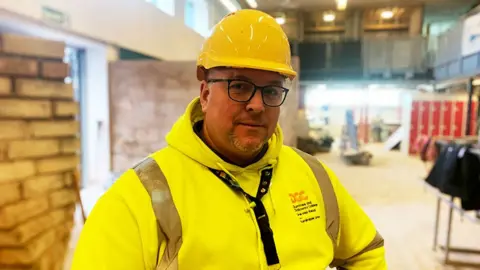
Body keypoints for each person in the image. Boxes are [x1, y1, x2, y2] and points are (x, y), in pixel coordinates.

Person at [71, 9, 386, 270]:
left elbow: (366, 251)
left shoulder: (314, 178)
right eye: (239, 86)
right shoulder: (139, 198)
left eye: (272, 90)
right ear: (206, 94)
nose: (257, 104)